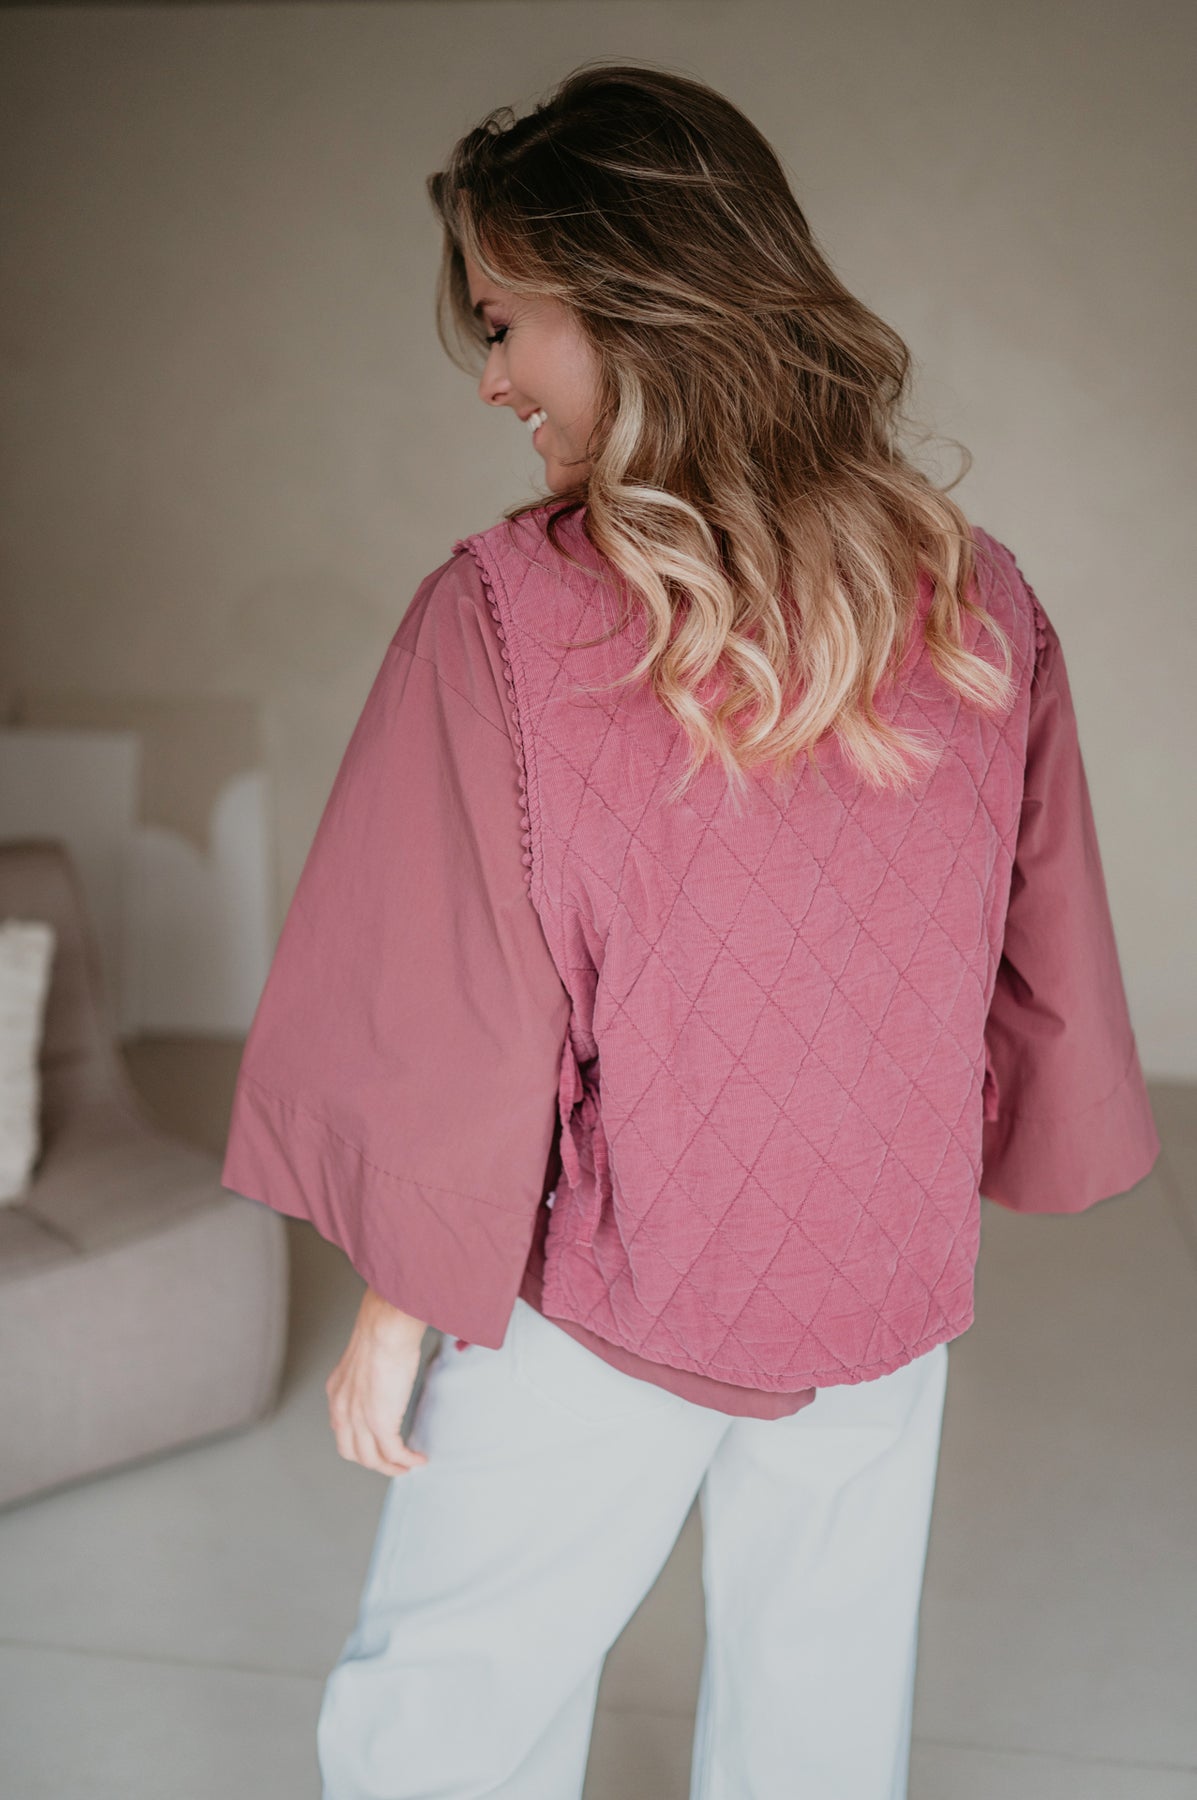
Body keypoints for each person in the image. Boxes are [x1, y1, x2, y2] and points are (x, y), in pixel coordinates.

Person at [220, 61, 1160, 1800]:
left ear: (628, 302)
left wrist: (399, 1302)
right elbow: (1035, 940)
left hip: (615, 1281)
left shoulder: (500, 617)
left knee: (451, 1702)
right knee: (821, 1713)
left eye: (504, 323)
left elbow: (454, 1009)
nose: (489, 376)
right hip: (880, 1276)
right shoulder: (976, 594)